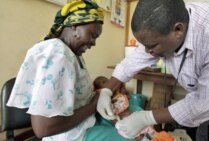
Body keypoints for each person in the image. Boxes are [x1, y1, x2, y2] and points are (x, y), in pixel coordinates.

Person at [96, 0, 209, 141]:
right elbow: (134, 59)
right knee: (204, 134)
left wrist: (146, 118)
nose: (147, 51)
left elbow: (203, 103)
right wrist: (107, 90)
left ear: (178, 30)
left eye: (152, 46)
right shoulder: (167, 22)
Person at [6, 0, 134, 141]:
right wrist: (94, 104)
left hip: (84, 124)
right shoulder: (58, 55)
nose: (94, 43)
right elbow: (43, 128)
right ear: (74, 26)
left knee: (133, 120)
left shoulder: (71, 53)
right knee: (132, 136)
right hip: (72, 136)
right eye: (93, 35)